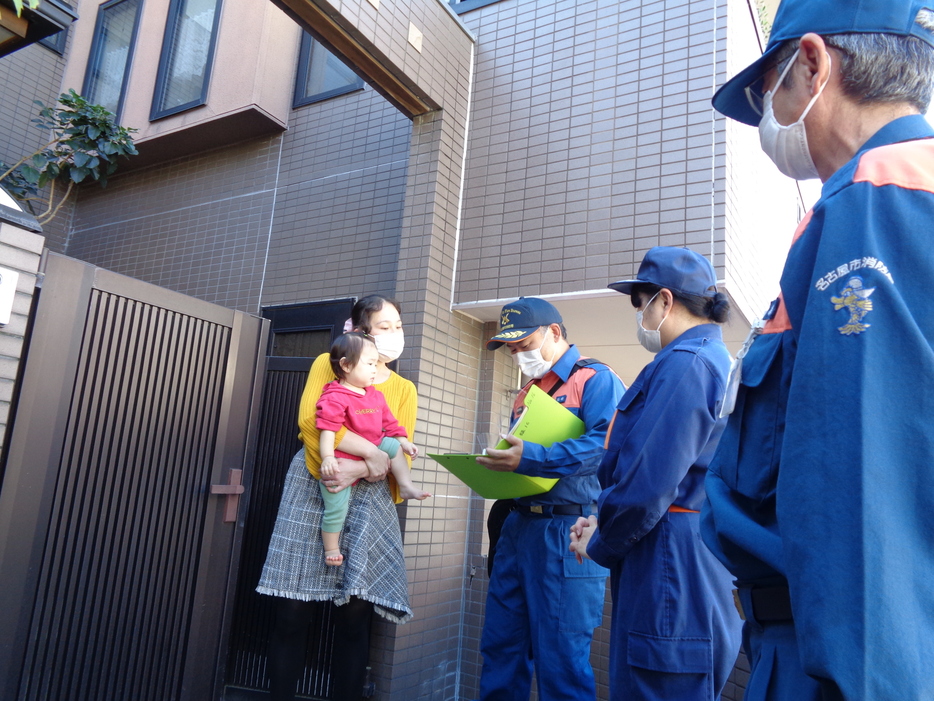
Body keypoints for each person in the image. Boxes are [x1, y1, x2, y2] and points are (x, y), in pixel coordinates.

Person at [702, 0, 934, 698]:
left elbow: (862, 492)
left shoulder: (870, 198)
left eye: (764, 89)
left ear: (811, 62)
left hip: (834, 657)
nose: (766, 114)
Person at [568, 247, 742, 701]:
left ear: (664, 301)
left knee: (659, 684)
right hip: (676, 546)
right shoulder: (702, 360)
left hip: (670, 556)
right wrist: (605, 521)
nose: (639, 315)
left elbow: (648, 482)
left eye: (639, 302)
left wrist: (601, 539)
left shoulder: (688, 364)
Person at [256, 295, 418, 701]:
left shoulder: (402, 388)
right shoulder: (327, 364)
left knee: (355, 614)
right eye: (384, 326)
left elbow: (400, 446)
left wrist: (361, 467)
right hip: (315, 482)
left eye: (398, 325)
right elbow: (312, 423)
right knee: (291, 609)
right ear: (360, 330)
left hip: (368, 495)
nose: (394, 333)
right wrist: (364, 456)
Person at [476, 296, 625, 701]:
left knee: (562, 661)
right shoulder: (525, 392)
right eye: (510, 347)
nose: (516, 353)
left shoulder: (595, 378)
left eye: (523, 343)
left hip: (568, 529)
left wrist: (532, 456)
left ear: (554, 332)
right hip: (518, 526)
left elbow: (605, 447)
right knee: (500, 648)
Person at [316, 332, 429, 566]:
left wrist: (404, 441)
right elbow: (328, 429)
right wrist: (327, 457)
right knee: (336, 508)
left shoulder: (374, 395)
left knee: (393, 445)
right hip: (341, 460)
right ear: (346, 365)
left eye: (376, 363)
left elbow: (390, 422)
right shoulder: (335, 395)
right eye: (369, 363)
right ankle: (331, 549)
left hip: (374, 447)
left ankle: (406, 486)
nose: (375, 369)